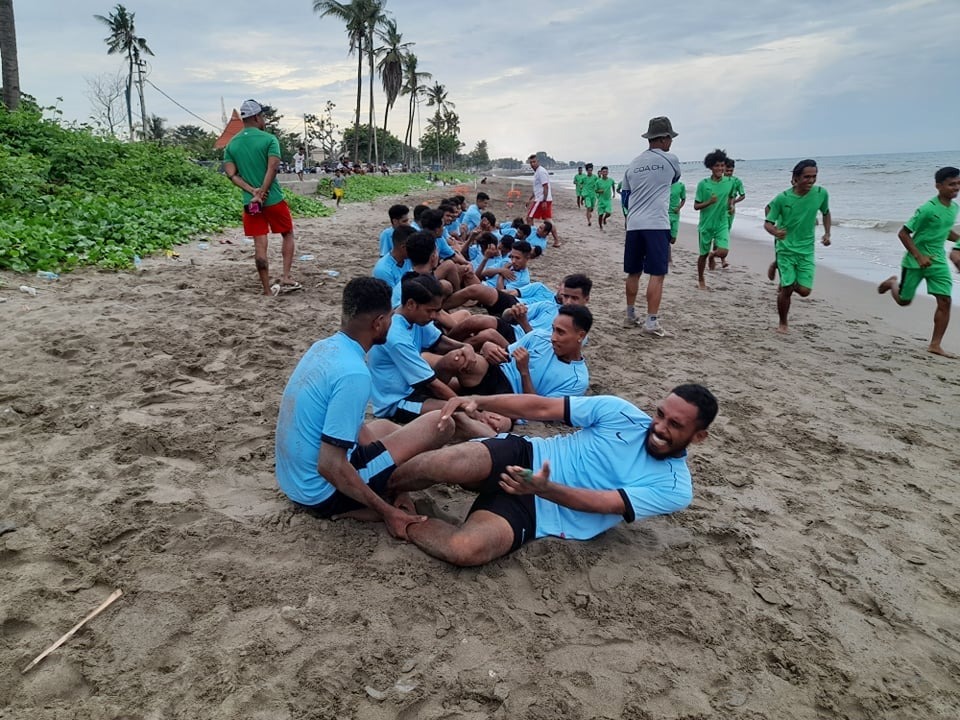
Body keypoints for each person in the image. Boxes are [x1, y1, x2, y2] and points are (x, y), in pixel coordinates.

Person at [387, 384, 718, 566]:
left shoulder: (674, 487)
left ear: (699, 436)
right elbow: (542, 407)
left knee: (466, 549)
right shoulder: (620, 413)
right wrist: (478, 399)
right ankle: (380, 488)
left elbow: (603, 504)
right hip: (528, 456)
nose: (659, 427)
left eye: (675, 425)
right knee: (446, 463)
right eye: (660, 414)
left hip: (541, 513)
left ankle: (399, 519)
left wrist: (543, 488)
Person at [275, 277, 466, 539]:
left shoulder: (323, 348)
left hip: (293, 481)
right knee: (440, 425)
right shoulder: (354, 374)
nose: (392, 322)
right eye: (390, 317)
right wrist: (388, 512)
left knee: (385, 427)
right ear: (378, 322)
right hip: (320, 492)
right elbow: (329, 465)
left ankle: (387, 485)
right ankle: (375, 501)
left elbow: (348, 425)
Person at [878, 166, 960, 357]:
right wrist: (919, 256)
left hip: (938, 262)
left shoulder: (954, 208)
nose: (956, 188)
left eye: (958, 184)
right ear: (938, 186)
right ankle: (892, 283)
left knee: (945, 301)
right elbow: (903, 233)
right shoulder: (927, 209)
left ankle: (935, 345)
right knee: (904, 301)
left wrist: (958, 240)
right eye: (951, 184)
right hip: (914, 262)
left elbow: (944, 230)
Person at [223, 99, 300, 296]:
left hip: (250, 203)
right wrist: (263, 192)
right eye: (262, 116)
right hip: (273, 199)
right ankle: (286, 276)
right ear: (257, 117)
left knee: (259, 244)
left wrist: (252, 191)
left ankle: (266, 289)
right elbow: (272, 167)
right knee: (287, 234)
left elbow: (231, 174)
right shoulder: (269, 139)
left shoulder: (232, 144)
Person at [620, 116, 681, 334]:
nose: (671, 142)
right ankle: (651, 321)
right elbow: (674, 179)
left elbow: (625, 196)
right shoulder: (670, 159)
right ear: (664, 138)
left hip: (634, 224)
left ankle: (630, 315)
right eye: (670, 138)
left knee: (633, 272)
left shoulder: (633, 164)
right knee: (657, 273)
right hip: (656, 223)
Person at [763, 159, 831, 333]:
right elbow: (768, 221)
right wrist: (775, 231)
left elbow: (826, 212)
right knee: (786, 289)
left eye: (814, 176)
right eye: (807, 177)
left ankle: (777, 267)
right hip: (785, 248)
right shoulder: (783, 198)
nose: (811, 180)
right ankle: (783, 323)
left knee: (805, 291)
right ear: (796, 178)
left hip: (806, 249)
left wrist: (827, 233)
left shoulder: (821, 193)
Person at [473, 305, 592, 399]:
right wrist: (489, 348)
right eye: (553, 329)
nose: (553, 338)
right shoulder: (538, 336)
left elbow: (538, 410)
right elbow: (505, 355)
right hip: (496, 372)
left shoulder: (576, 381)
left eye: (560, 332)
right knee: (465, 359)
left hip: (511, 396)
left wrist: (524, 372)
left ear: (580, 336)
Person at [693, 149, 734, 290]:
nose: (720, 168)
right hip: (706, 224)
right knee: (702, 255)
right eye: (717, 166)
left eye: (722, 165)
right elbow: (696, 206)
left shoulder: (730, 182)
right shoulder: (703, 184)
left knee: (723, 251)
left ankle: (713, 256)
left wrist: (731, 206)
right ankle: (701, 279)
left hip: (722, 223)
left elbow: (731, 196)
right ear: (710, 167)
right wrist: (709, 202)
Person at [526, 154, 560, 248]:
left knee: (529, 218)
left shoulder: (541, 172)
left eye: (534, 162)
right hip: (543, 198)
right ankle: (556, 241)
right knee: (548, 220)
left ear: (538, 162)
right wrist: (530, 199)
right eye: (531, 162)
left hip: (542, 199)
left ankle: (531, 238)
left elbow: (545, 186)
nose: (532, 164)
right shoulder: (537, 172)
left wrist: (544, 201)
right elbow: (537, 188)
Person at [724, 159, 746, 259]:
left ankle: (722, 254)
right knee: (718, 231)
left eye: (731, 171)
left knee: (726, 231)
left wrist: (733, 203)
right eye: (727, 170)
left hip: (730, 210)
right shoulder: (719, 181)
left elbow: (742, 195)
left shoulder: (737, 181)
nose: (729, 173)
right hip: (718, 209)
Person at [668, 180, 686, 264]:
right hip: (665, 214)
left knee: (673, 240)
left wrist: (679, 207)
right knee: (666, 238)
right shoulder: (664, 184)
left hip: (675, 215)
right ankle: (669, 259)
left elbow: (683, 199)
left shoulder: (680, 185)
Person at [595, 166, 617, 231]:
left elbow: (613, 186)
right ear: (601, 172)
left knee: (608, 213)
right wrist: (599, 191)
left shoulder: (611, 180)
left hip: (608, 200)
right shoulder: (598, 181)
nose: (605, 173)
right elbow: (595, 190)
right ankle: (600, 227)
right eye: (603, 172)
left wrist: (614, 193)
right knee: (600, 215)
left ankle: (604, 218)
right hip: (601, 200)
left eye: (606, 172)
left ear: (608, 172)